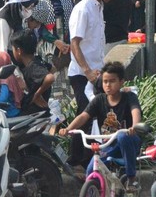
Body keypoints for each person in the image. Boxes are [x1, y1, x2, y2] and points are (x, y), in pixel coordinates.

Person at [68, 0, 123, 166]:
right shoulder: (83, 9)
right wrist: (87, 71)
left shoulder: (99, 8)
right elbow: (74, 43)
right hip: (82, 74)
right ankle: (79, 161)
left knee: (93, 114)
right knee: (86, 113)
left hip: (97, 72)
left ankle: (83, 158)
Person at [59, 62, 142, 194]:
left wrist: (134, 127)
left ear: (121, 82)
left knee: (122, 136)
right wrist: (68, 128)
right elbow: (84, 116)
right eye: (105, 81)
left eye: (112, 81)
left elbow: (135, 111)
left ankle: (131, 178)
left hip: (128, 142)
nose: (108, 85)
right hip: (108, 145)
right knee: (91, 170)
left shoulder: (129, 97)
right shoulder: (99, 100)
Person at [11, 30, 55, 114]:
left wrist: (37, 94)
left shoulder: (33, 66)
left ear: (19, 51)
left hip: (36, 113)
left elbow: (50, 78)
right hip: (40, 111)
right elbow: (52, 68)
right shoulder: (37, 60)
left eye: (13, 49)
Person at [0, 51, 23, 117]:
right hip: (16, 110)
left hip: (9, 113)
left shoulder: (4, 78)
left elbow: (3, 98)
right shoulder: (11, 74)